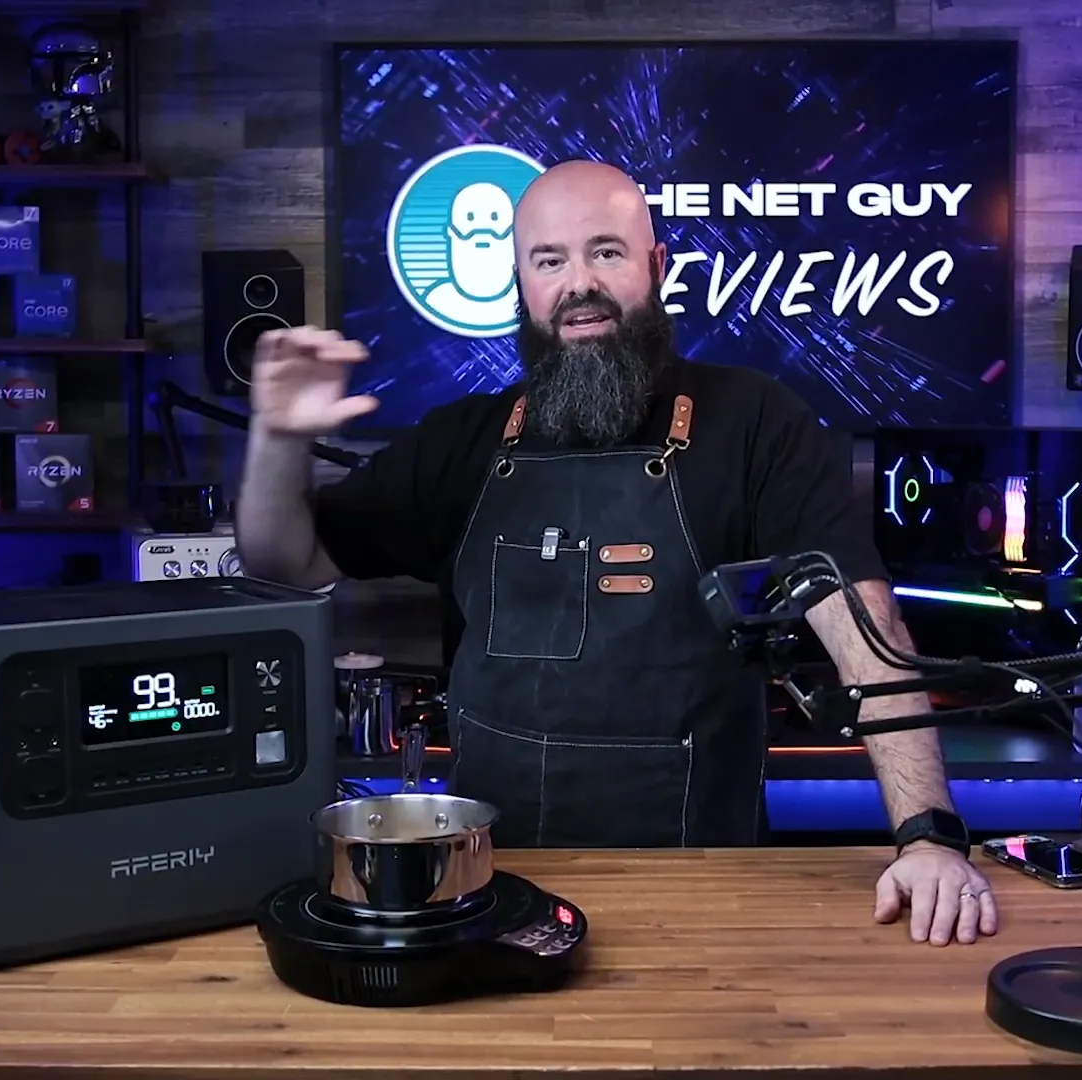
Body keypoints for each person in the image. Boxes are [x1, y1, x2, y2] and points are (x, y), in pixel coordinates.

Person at [236, 159, 999, 946]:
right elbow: (284, 562)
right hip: (487, 898)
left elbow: (865, 631)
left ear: (655, 266)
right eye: (550, 259)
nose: (579, 285)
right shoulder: (461, 442)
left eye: (605, 251)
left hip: (704, 889)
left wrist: (930, 836)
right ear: (522, 284)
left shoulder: (754, 422)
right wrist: (277, 438)